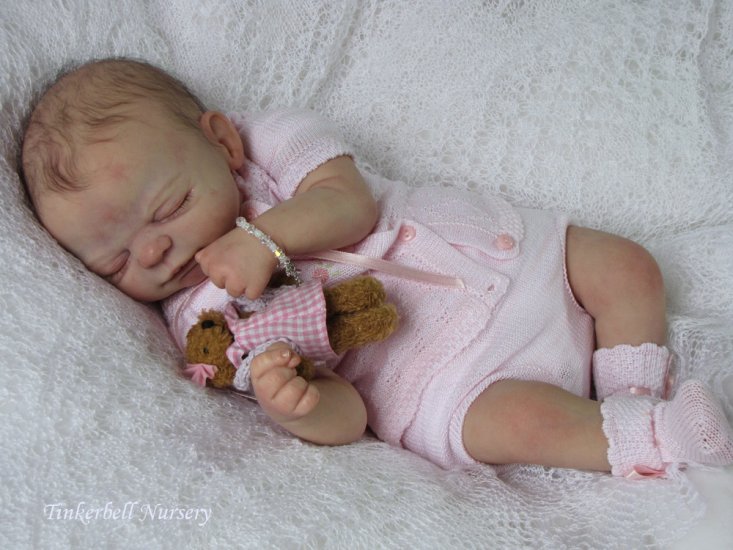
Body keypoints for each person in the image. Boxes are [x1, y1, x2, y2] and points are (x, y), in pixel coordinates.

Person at [20, 58, 733, 476]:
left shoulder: (272, 142)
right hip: (448, 380)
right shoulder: (204, 324)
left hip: (509, 255)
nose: (153, 252)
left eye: (169, 206)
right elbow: (352, 414)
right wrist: (296, 405)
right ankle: (651, 442)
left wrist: (263, 242)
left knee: (628, 268)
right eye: (114, 261)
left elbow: (348, 204)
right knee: (524, 423)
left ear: (219, 142)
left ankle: (628, 392)